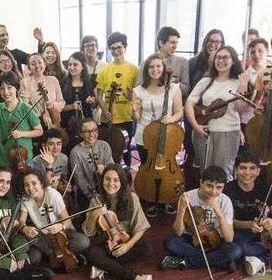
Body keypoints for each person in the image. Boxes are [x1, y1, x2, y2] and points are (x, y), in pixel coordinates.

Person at [82, 165, 153, 280]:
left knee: (147, 247)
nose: (111, 184)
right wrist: (93, 215)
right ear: (102, 180)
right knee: (92, 254)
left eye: (116, 180)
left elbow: (141, 227)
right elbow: (89, 232)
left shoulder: (132, 198)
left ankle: (104, 267)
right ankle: (136, 278)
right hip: (106, 243)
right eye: (107, 179)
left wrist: (127, 246)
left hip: (126, 240)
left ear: (122, 182)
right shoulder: (95, 200)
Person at [185, 46, 251, 181]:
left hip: (228, 133)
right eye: (218, 57)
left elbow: (240, 109)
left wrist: (243, 85)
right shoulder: (206, 81)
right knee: (205, 172)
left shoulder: (238, 82)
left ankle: (222, 202)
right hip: (204, 132)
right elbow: (189, 104)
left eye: (225, 57)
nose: (221, 60)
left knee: (223, 173)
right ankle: (205, 202)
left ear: (233, 61)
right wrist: (195, 126)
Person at [132, 53, 184, 217]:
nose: (155, 70)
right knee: (148, 170)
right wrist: (134, 110)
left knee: (166, 170)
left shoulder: (173, 88)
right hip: (145, 137)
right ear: (146, 70)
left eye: (158, 66)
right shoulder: (138, 90)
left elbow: (179, 112)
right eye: (151, 67)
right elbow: (137, 118)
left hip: (167, 137)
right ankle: (150, 200)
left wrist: (171, 118)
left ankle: (166, 198)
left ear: (163, 68)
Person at [162, 166, 242, 271]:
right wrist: (181, 209)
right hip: (191, 239)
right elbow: (178, 232)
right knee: (171, 243)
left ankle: (185, 262)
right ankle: (217, 260)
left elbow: (229, 238)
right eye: (209, 186)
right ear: (201, 183)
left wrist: (219, 213)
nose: (213, 192)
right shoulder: (187, 197)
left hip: (216, 241)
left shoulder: (225, 201)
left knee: (235, 250)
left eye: (219, 187)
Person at [18, 170, 90, 268]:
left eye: (34, 183)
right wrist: (25, 228)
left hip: (62, 234)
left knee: (83, 241)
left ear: (42, 183)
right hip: (43, 236)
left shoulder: (53, 195)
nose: (30, 188)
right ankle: (54, 253)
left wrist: (60, 226)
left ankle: (51, 254)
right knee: (30, 244)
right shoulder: (25, 199)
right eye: (26, 185)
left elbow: (67, 220)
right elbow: (21, 221)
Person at [0, 72, 43, 171]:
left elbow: (39, 131)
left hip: (24, 160)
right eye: (2, 89)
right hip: (4, 160)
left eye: (9, 88)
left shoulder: (26, 108)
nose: (6, 92)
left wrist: (21, 133)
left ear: (16, 88)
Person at [95, 32, 139, 166]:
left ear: (125, 47)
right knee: (107, 149)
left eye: (119, 47)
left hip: (126, 117)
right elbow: (99, 94)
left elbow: (137, 94)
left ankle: (126, 176)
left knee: (125, 150)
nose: (116, 51)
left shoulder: (134, 69)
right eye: (112, 48)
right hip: (108, 118)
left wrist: (131, 97)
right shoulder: (105, 70)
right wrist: (104, 110)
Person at [69, 118, 114, 212]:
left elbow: (113, 170)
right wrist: (93, 197)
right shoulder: (75, 152)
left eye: (94, 130)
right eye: (87, 131)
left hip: (108, 190)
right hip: (88, 195)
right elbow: (80, 179)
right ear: (81, 134)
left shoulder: (104, 146)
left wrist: (105, 169)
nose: (92, 134)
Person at [19, 53, 65, 130]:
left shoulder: (53, 80)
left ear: (44, 64)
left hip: (53, 120)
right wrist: (27, 92)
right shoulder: (24, 82)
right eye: (33, 64)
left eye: (40, 62)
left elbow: (62, 102)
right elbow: (22, 107)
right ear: (29, 67)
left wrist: (53, 106)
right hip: (35, 122)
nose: (37, 66)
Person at [60, 52, 96, 147]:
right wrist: (71, 106)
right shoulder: (62, 83)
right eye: (70, 65)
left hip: (86, 122)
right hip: (68, 124)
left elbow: (94, 105)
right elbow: (59, 107)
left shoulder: (90, 82)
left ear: (83, 66)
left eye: (75, 64)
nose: (71, 67)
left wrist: (92, 102)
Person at [150, 26, 189, 96]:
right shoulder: (146, 63)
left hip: (175, 104)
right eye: (172, 42)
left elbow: (186, 90)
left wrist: (172, 84)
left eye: (176, 43)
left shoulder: (183, 62)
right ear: (161, 43)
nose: (175, 46)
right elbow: (140, 88)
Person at [239, 38, 268, 133]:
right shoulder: (245, 76)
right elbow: (240, 104)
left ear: (267, 52)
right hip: (248, 120)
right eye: (252, 52)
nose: (256, 55)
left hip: (269, 121)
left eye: (260, 51)